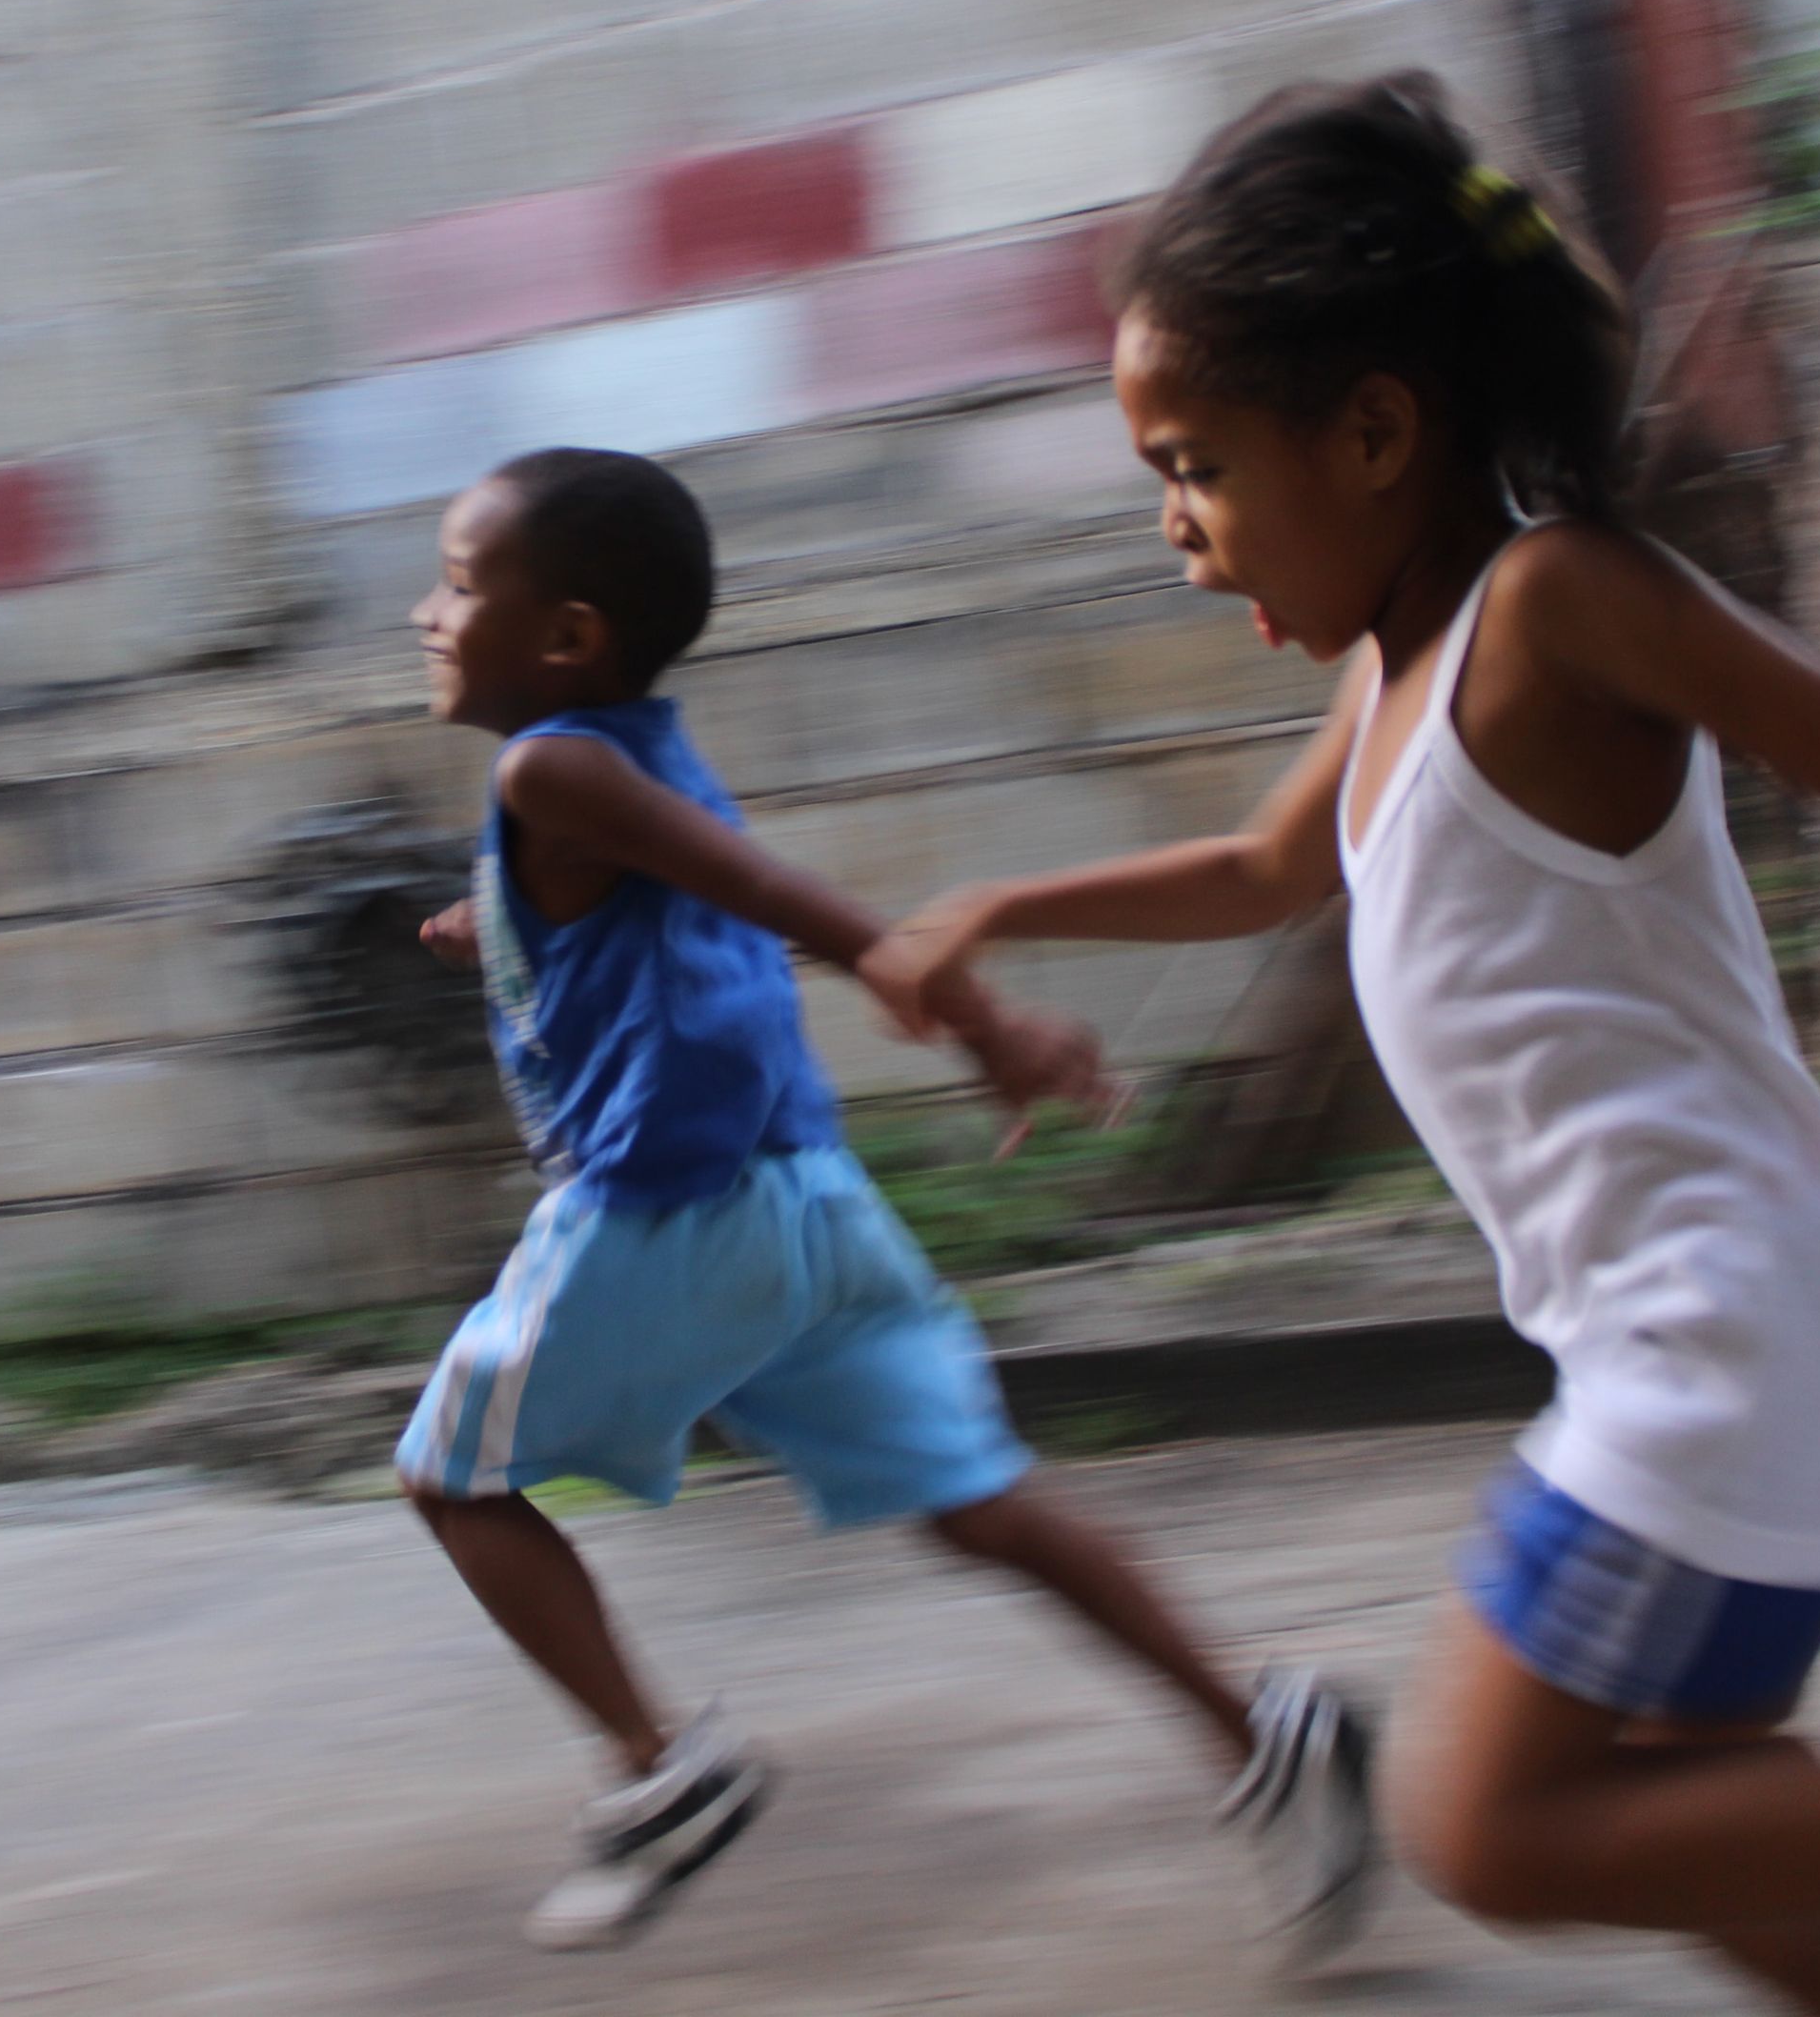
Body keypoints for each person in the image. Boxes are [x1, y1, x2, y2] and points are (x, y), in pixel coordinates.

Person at [867, 75, 1820, 2016]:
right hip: (1706, 1317)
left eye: (1198, 465)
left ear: (1377, 427)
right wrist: (994, 911)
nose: (1175, 527)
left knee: (1488, 1822)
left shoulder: (1554, 602)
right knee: (1692, 1826)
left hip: (1726, 1319)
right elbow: (1260, 865)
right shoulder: (1393, 669)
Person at [392, 446, 1379, 1958]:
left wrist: (983, 1016)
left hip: (668, 1215)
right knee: (978, 1497)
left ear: (568, 637)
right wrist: (502, 923)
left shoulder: (548, 769)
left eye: (460, 584)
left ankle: (660, 1773)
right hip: (809, 1201)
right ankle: (1260, 1728)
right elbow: (666, 896)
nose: (426, 610)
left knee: (453, 1480)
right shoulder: (618, 756)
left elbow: (780, 899)